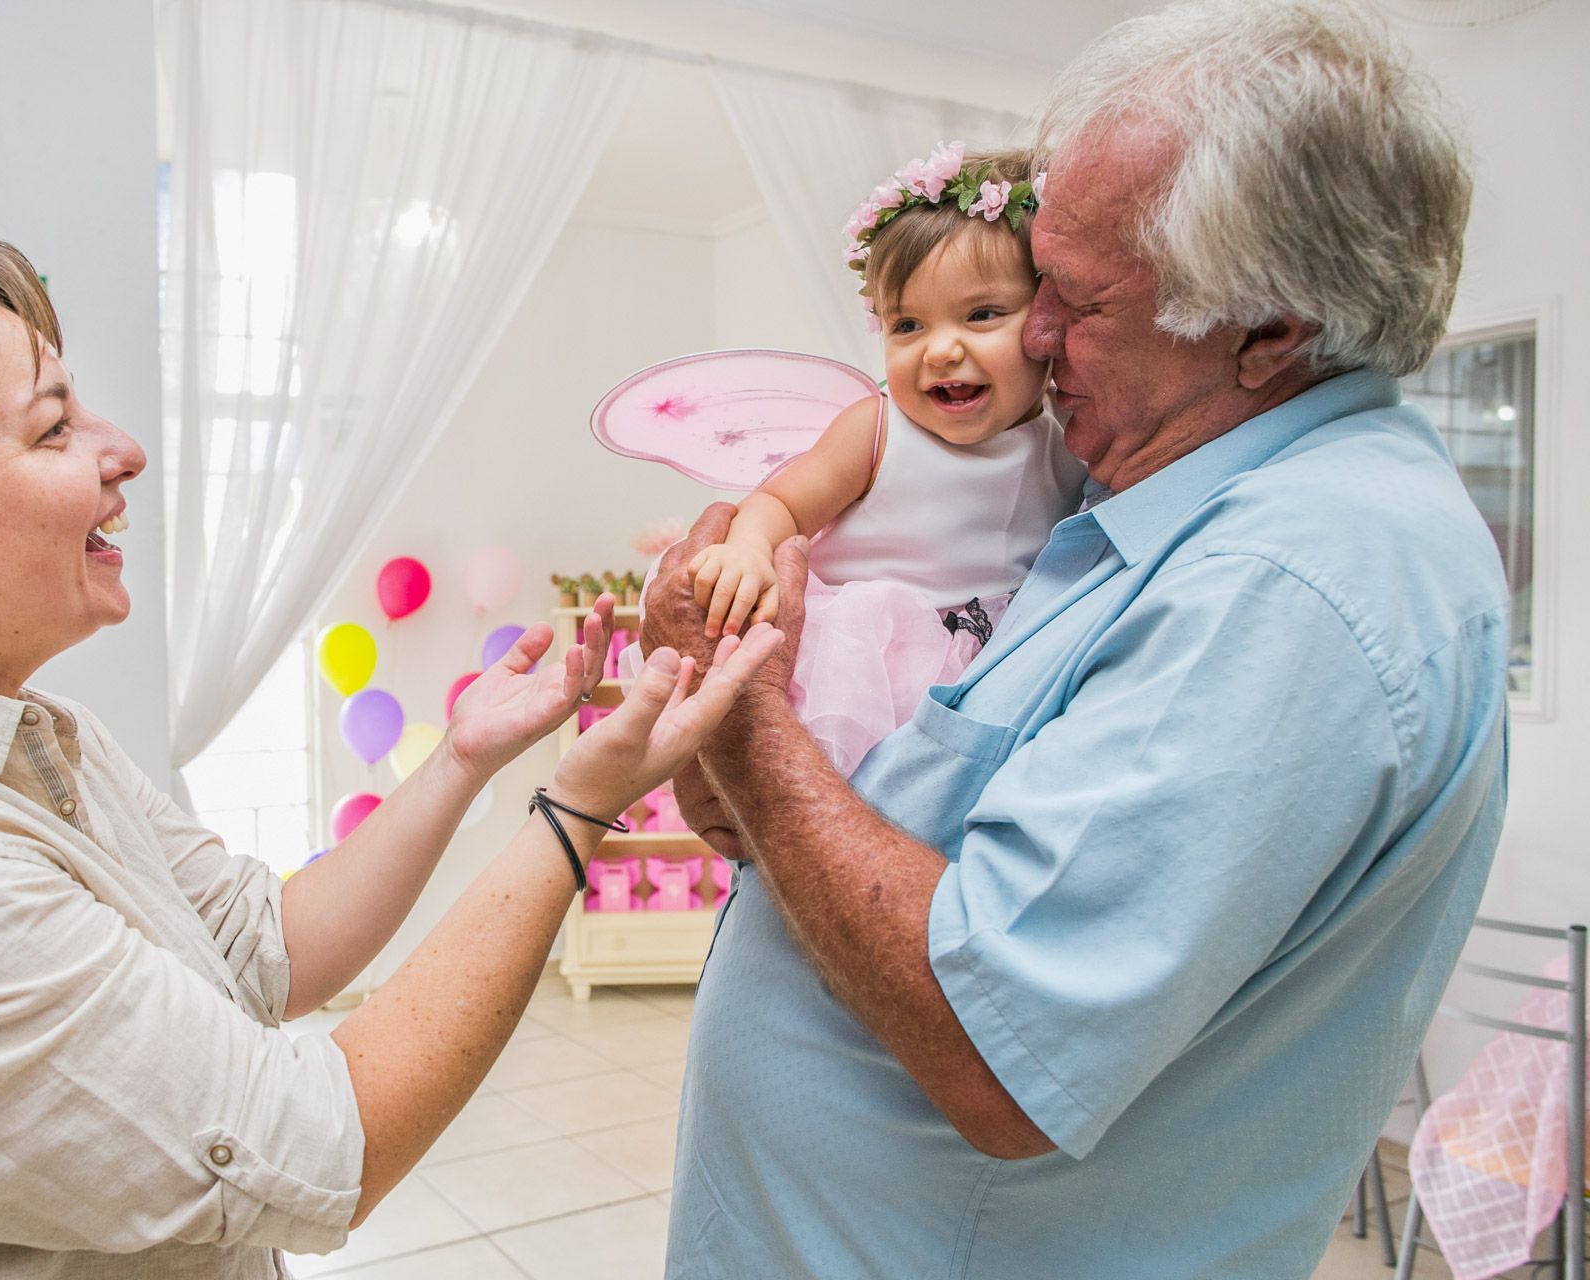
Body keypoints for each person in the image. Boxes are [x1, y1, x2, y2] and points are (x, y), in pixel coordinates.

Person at [0, 236, 780, 1280]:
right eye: (54, 430)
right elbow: (314, 1146)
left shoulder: (29, 734)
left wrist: (462, 763)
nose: (124, 451)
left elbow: (266, 944)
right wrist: (574, 810)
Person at [642, 2, 1508, 1276]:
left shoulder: (1287, 581)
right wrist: (747, 793)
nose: (1031, 338)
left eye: (1079, 299)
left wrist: (749, 716)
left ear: (1269, 332)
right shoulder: (1143, 490)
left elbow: (998, 1045)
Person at [686, 145, 1084, 776]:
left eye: (982, 315)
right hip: (869, 662)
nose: (941, 350)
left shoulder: (1071, 435)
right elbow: (782, 501)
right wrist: (750, 548)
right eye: (908, 326)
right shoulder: (877, 429)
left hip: (1000, 663)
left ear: (1046, 320)